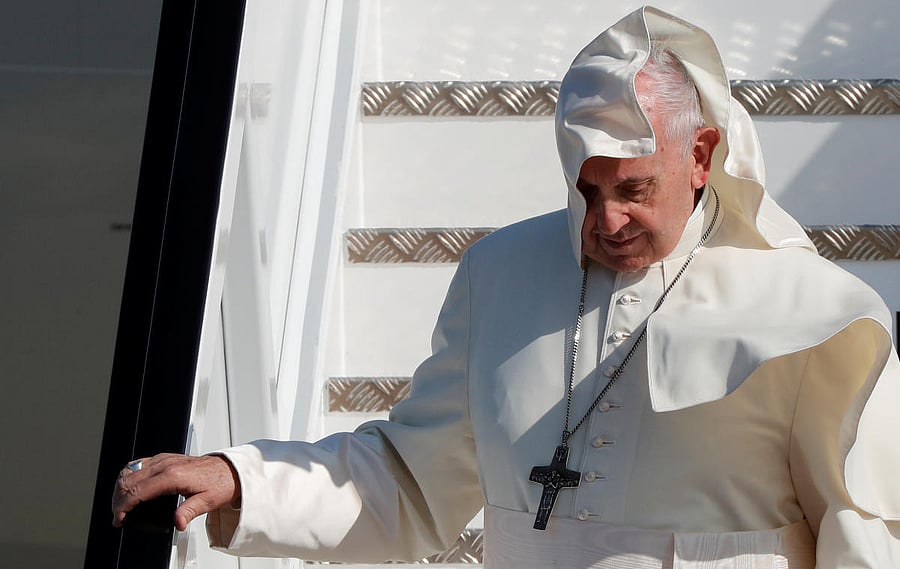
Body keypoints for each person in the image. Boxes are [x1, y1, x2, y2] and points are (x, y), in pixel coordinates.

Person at [113, 6, 900, 567]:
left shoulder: (815, 316)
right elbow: (412, 483)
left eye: (633, 187)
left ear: (701, 154)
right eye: (587, 191)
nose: (609, 219)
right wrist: (247, 479)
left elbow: (861, 530)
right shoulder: (501, 274)